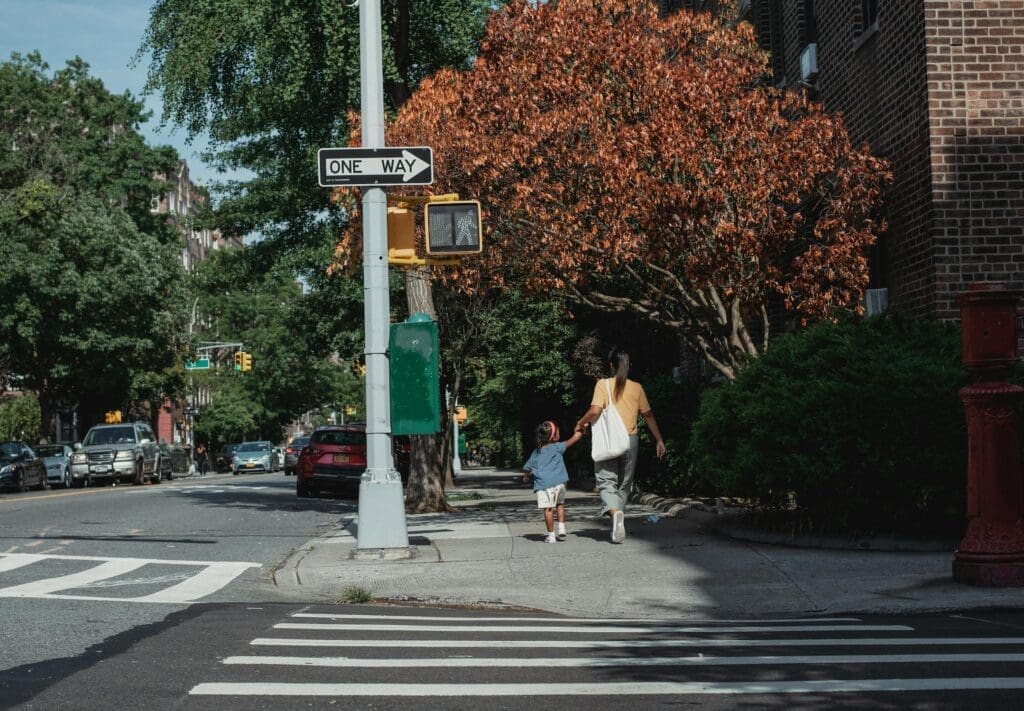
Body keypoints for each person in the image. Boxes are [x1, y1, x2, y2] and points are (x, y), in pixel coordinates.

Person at [575, 347, 666, 544]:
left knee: (606, 482)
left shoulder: (603, 385)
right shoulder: (637, 387)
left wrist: (581, 422)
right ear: (628, 366)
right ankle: (620, 523)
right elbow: (648, 415)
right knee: (624, 484)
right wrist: (659, 439)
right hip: (630, 440)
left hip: (609, 440)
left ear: (611, 366)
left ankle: (616, 515)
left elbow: (595, 410)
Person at [523, 420, 584, 543]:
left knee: (548, 509)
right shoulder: (557, 447)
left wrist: (526, 477)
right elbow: (575, 438)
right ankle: (561, 527)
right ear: (554, 437)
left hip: (545, 485)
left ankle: (551, 536)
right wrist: (581, 428)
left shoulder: (536, 453)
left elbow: (528, 468)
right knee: (560, 504)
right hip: (560, 483)